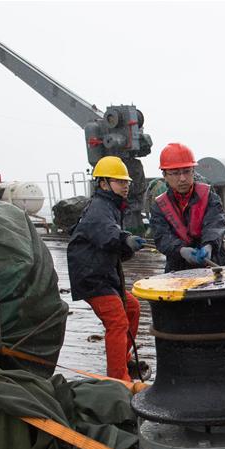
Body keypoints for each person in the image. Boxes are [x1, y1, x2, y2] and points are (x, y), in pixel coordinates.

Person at [67, 156, 146, 382]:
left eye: (126, 182)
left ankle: (122, 360)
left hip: (104, 275)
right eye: (119, 181)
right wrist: (126, 239)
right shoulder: (100, 207)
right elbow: (107, 234)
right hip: (92, 277)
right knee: (117, 321)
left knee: (132, 308)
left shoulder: (111, 206)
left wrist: (127, 246)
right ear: (103, 184)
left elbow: (111, 243)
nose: (125, 186)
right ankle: (118, 380)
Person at [149, 143, 225, 273]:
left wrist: (209, 245)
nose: (182, 178)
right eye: (175, 173)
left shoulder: (209, 196)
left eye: (187, 171)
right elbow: (162, 236)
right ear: (165, 175)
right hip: (178, 267)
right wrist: (181, 250)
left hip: (214, 262)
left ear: (193, 171)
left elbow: (216, 223)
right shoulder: (159, 206)